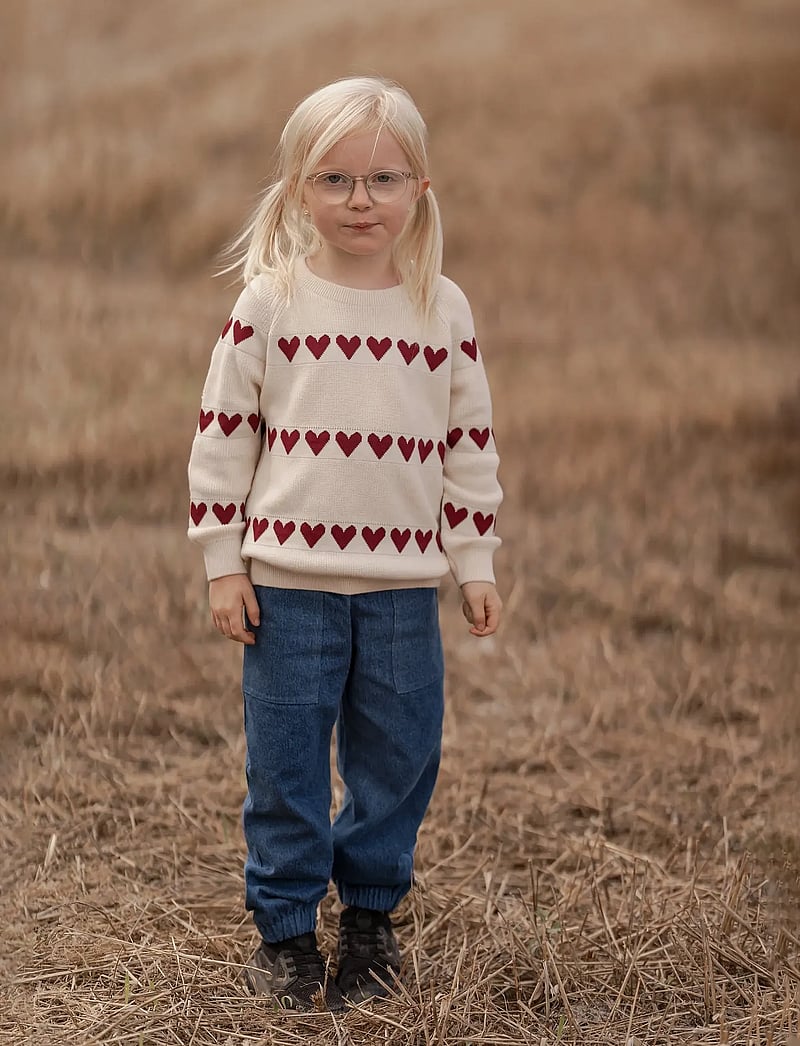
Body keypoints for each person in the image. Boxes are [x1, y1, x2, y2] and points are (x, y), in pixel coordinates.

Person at [187, 75, 503, 1012]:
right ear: (298, 191)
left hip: (403, 592)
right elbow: (223, 435)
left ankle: (369, 921)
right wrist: (223, 563)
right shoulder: (271, 302)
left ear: (420, 190)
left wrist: (474, 562)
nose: (360, 200)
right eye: (335, 179)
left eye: (383, 179)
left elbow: (468, 445)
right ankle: (285, 934)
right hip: (288, 589)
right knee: (285, 764)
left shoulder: (441, 308)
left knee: (398, 758)